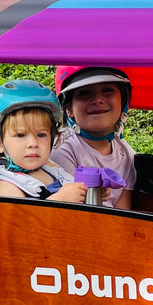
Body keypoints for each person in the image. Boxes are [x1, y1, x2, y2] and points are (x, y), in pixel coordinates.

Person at [0, 81, 88, 203]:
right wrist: (59, 200)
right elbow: (19, 221)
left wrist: (87, 192)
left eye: (41, 135)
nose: (33, 143)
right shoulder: (7, 186)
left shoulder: (51, 169)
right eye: (21, 135)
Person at [50, 66, 137, 209]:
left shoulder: (127, 154)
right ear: (69, 109)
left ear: (123, 101)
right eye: (85, 93)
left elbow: (123, 214)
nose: (98, 100)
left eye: (107, 90)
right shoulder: (62, 147)